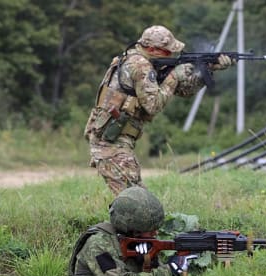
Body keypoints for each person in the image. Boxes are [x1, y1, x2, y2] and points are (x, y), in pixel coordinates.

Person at [84, 25, 235, 195]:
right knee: (136, 204)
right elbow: (153, 105)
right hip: (110, 144)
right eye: (167, 52)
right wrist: (174, 75)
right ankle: (112, 222)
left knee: (140, 203)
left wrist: (206, 70)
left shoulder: (134, 59)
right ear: (151, 49)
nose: (171, 56)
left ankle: (118, 222)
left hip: (112, 139)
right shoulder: (140, 66)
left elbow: (183, 91)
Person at [66, 186, 193, 276]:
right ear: (133, 229)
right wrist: (170, 269)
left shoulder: (135, 242)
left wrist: (149, 262)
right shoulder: (97, 246)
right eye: (150, 230)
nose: (156, 232)